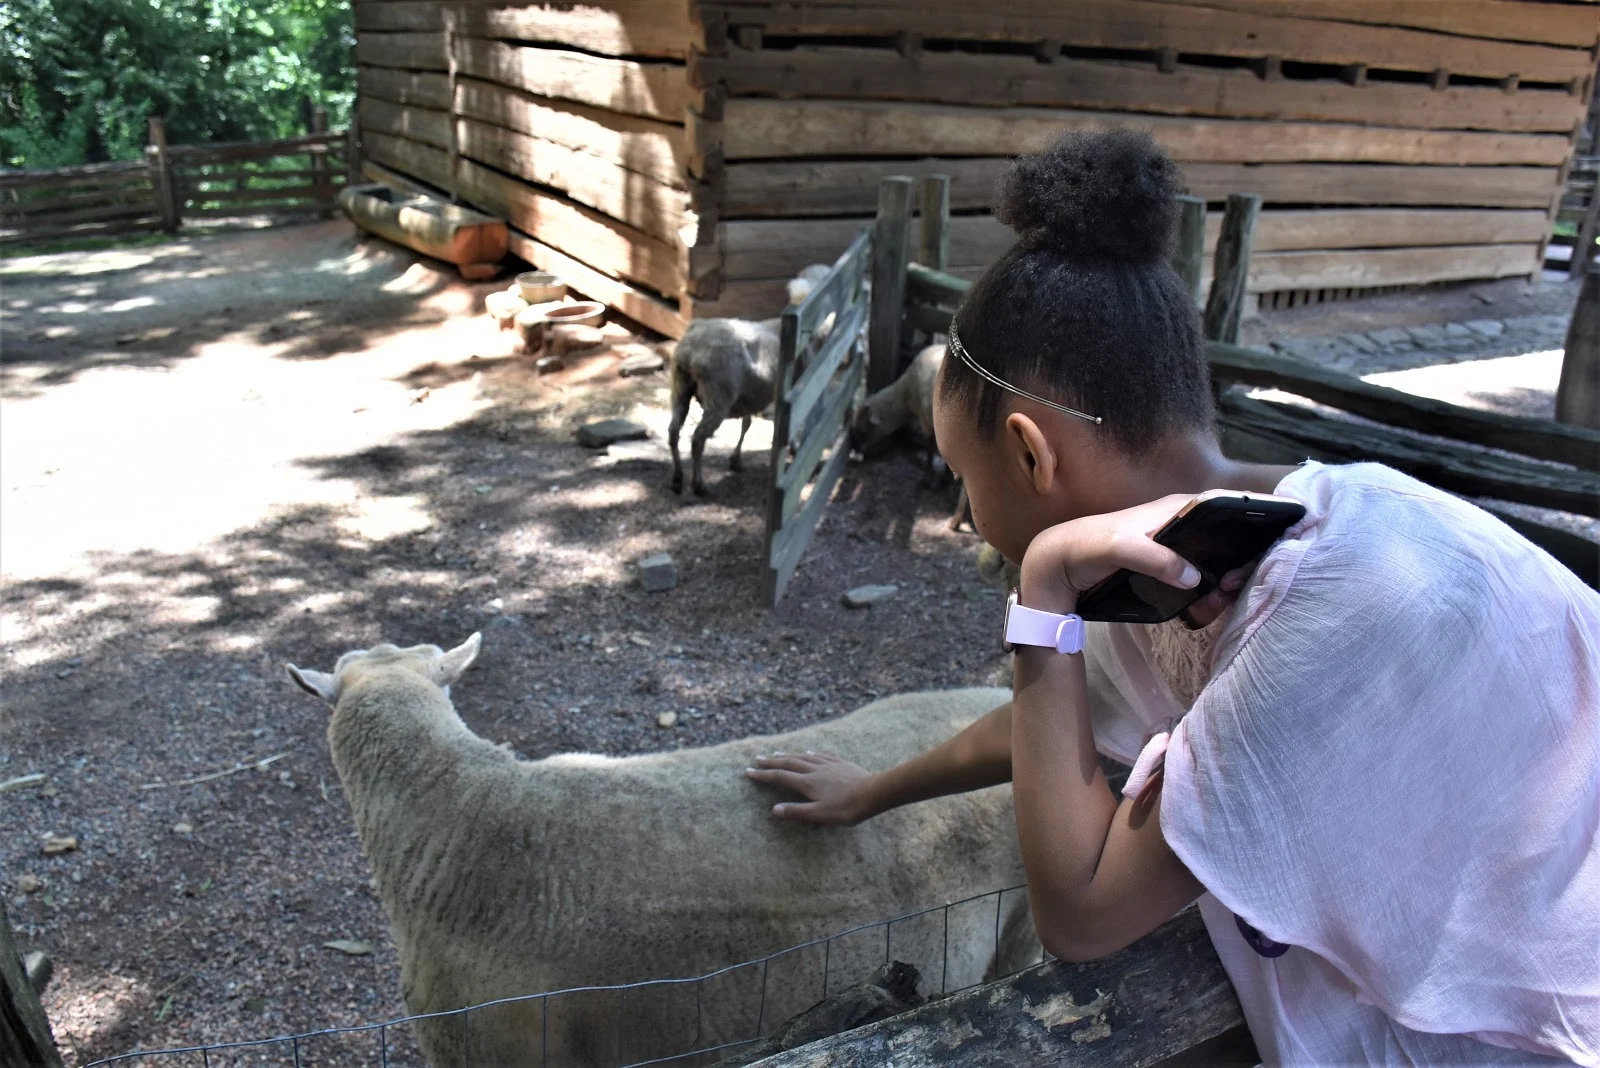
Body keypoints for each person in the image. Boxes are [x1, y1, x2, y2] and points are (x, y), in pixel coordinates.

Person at [746, 129, 1599, 1065]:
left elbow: (1081, 913)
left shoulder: (1334, 609)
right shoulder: (1201, 557)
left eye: (965, 476)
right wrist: (873, 791)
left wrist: (1040, 588)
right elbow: (1042, 728)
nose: (967, 512)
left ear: (1032, 455)